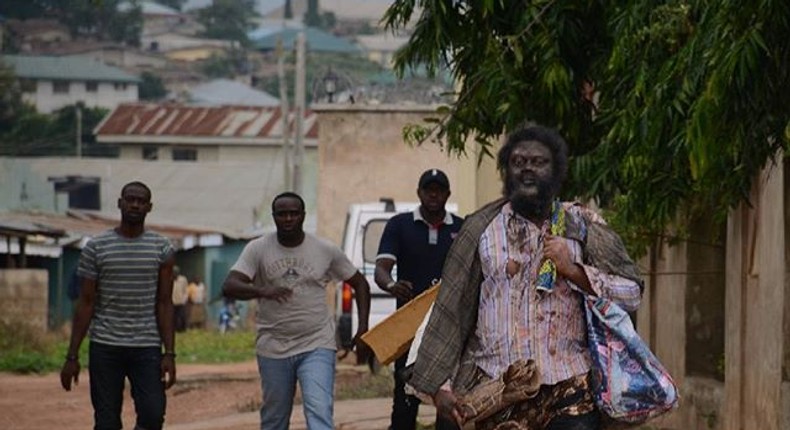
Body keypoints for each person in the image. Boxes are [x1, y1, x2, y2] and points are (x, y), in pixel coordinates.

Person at [407, 125, 644, 430]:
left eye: (538, 162)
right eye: (518, 162)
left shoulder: (583, 224)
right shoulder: (481, 229)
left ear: (558, 171)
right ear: (506, 172)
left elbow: (631, 294)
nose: (527, 169)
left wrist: (573, 270)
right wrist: (441, 387)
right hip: (498, 390)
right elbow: (450, 310)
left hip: (571, 386)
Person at [222, 191, 371, 430]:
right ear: (274, 217)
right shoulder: (258, 249)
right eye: (282, 214)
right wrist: (262, 291)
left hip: (316, 343)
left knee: (319, 410)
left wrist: (363, 328)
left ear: (303, 216)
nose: (288, 219)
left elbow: (360, 284)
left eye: (294, 213)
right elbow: (229, 285)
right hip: (273, 345)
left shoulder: (324, 249)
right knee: (274, 418)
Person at [60, 181, 177, 430]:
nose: (135, 204)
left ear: (149, 207)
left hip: (146, 345)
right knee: (106, 421)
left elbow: (165, 303)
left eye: (141, 201)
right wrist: (72, 356)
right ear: (119, 203)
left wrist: (169, 353)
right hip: (105, 346)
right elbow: (86, 303)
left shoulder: (162, 248)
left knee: (153, 415)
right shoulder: (96, 247)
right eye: (130, 199)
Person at [374, 168, 464, 430]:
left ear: (448, 194)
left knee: (449, 397)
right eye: (428, 189)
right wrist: (392, 285)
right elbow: (382, 268)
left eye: (439, 189)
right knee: (405, 400)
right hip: (409, 329)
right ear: (419, 193)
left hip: (449, 327)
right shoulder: (399, 225)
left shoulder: (460, 227)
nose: (433, 194)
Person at [172, 266, 189, 332]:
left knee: (181, 316)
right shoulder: (169, 279)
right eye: (173, 272)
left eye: (176, 272)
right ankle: (174, 329)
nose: (174, 274)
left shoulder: (183, 279)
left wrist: (184, 299)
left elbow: (186, 290)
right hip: (172, 301)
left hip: (181, 301)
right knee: (173, 317)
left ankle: (182, 329)